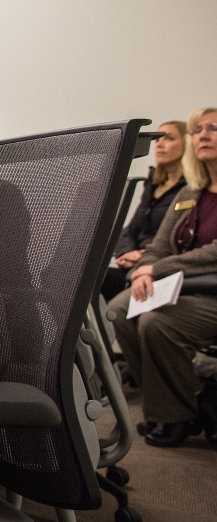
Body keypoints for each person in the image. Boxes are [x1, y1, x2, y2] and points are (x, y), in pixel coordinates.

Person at [109, 107, 217, 448]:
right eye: (197, 129)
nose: (203, 135)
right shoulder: (190, 193)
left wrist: (157, 269)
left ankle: (176, 415)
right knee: (120, 310)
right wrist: (146, 268)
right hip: (181, 285)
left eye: (214, 128)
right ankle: (188, 398)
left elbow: (214, 252)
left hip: (210, 292)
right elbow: (158, 246)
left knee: (155, 323)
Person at [100, 121, 188, 300]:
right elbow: (131, 228)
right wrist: (126, 252)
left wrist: (144, 255)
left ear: (188, 145)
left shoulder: (190, 189)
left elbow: (178, 237)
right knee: (93, 279)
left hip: (160, 263)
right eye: (157, 141)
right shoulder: (153, 184)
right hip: (135, 261)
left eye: (169, 139)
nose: (160, 144)